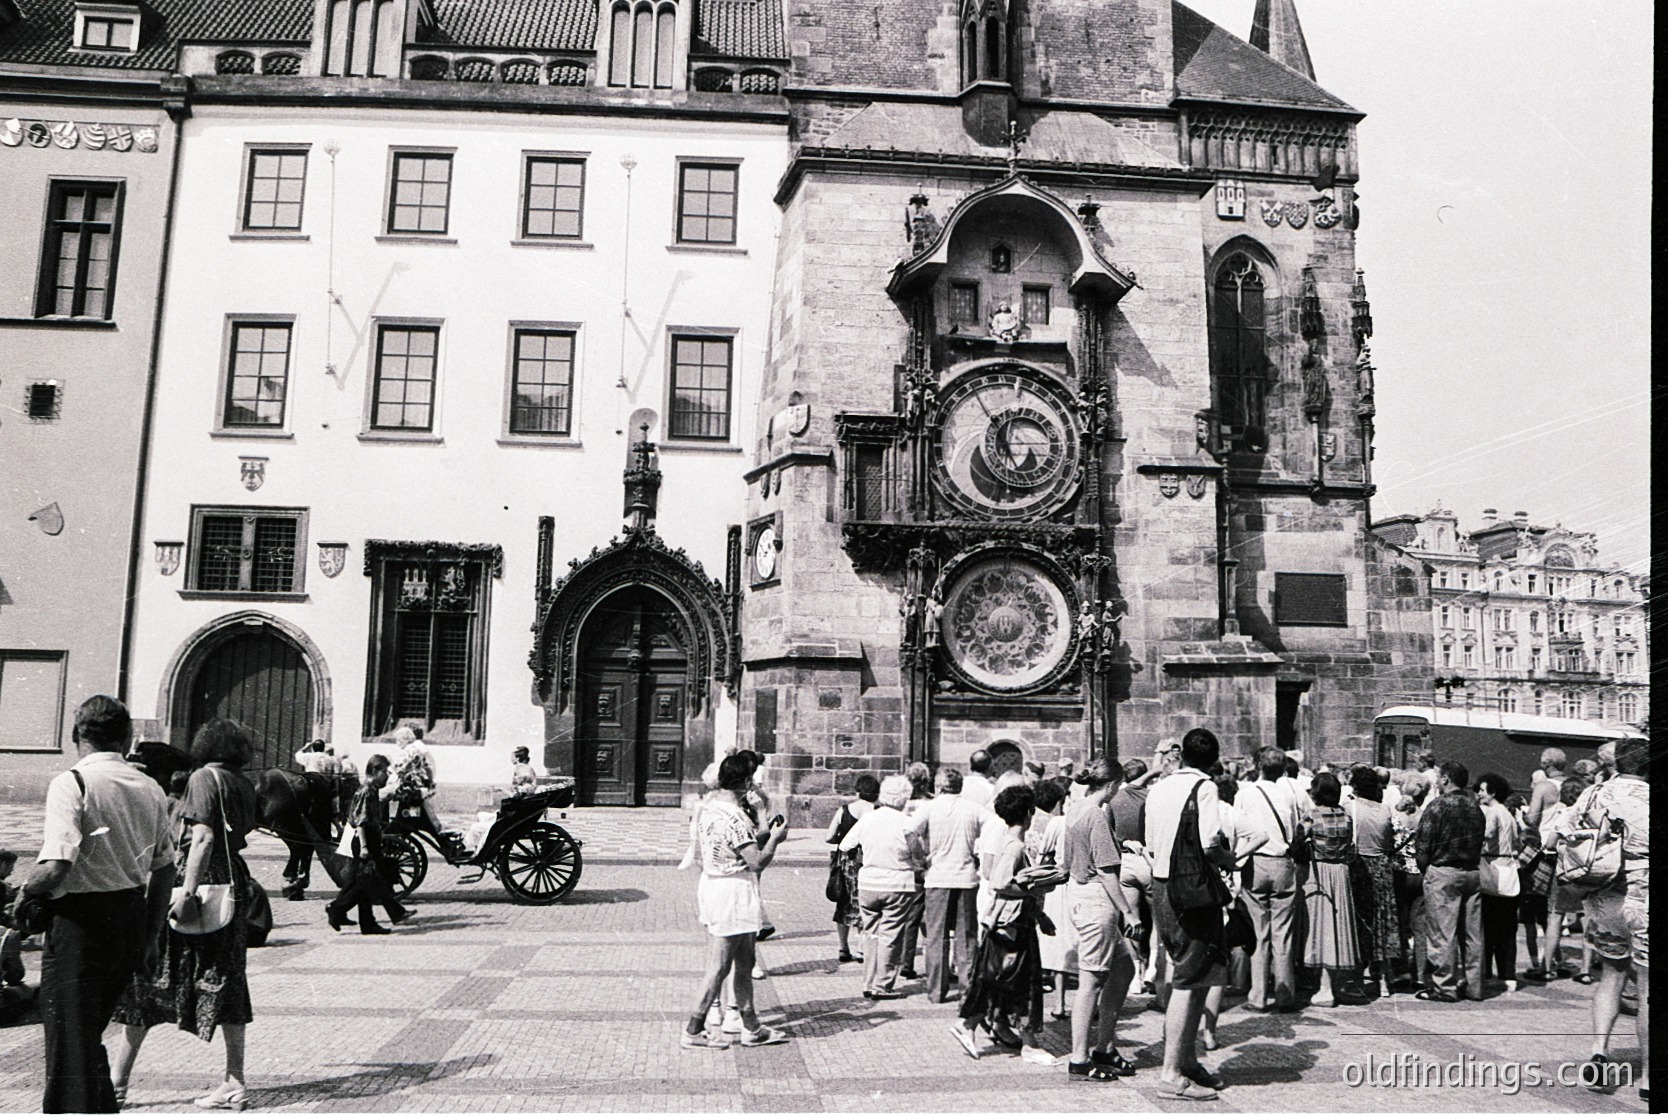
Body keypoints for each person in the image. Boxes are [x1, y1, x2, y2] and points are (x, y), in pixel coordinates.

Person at [13, 696, 175, 1114]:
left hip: (81, 928)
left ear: (76, 735)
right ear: (125, 737)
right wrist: (151, 937)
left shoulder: (73, 782)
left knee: (70, 1049)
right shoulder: (150, 787)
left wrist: (24, 892)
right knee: (85, 1042)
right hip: (128, 921)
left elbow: (55, 868)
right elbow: (165, 870)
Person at [105, 718, 259, 1112]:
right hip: (232, 883)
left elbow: (203, 837)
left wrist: (187, 892)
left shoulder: (205, 777)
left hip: (199, 882)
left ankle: (117, 1085)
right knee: (226, 977)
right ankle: (234, 1081)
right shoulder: (242, 781)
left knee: (149, 979)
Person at [1144, 728, 1234, 1101]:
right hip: (1192, 890)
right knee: (1187, 978)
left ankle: (1188, 1060)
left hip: (1163, 887)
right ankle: (1170, 1073)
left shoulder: (1160, 787)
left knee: (1194, 975)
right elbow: (1211, 840)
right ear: (1213, 760)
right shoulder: (1206, 788)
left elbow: (1151, 839)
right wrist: (1229, 859)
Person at [682, 754, 789, 1050]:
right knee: (718, 967)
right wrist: (775, 840)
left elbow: (734, 845)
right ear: (743, 782)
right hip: (732, 893)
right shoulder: (736, 818)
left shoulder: (710, 808)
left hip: (716, 885)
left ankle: (751, 1027)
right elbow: (756, 862)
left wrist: (761, 819)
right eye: (751, 778)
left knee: (745, 961)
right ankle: (692, 1030)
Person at [949, 783, 1059, 1064]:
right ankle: (1028, 1044)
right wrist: (1035, 890)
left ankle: (980, 1026)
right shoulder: (1015, 845)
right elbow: (1000, 883)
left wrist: (1039, 915)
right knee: (1021, 983)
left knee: (998, 980)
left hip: (1010, 924)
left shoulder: (1010, 843)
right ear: (1028, 813)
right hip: (1012, 927)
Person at [1570, 737, 1648, 1100]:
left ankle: (1599, 1051)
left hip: (1604, 896)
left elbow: (1566, 833)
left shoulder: (1594, 793)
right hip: (1645, 897)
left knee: (1611, 973)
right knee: (1648, 987)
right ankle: (1648, 1077)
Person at [1060, 761, 1140, 1081]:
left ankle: (1104, 1046)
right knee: (1091, 981)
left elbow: (1074, 857)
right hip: (1096, 899)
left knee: (1124, 968)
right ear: (1113, 785)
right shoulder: (1097, 814)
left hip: (1080, 893)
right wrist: (1129, 911)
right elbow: (1107, 871)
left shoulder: (1075, 808)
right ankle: (1079, 1057)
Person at [839, 775, 926, 999]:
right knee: (891, 935)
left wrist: (863, 858)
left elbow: (845, 845)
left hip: (868, 882)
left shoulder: (869, 818)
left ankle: (868, 982)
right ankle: (883, 984)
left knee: (871, 933)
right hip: (897, 883)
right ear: (904, 798)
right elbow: (918, 856)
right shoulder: (907, 823)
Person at [1415, 761, 1486, 1002]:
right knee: (1473, 933)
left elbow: (1423, 845)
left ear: (1445, 779)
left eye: (1438, 777)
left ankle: (1444, 986)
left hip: (1444, 872)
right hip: (1472, 872)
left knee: (1442, 932)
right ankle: (1474, 985)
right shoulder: (1476, 807)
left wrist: (1428, 870)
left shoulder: (1437, 806)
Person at [1237, 746, 1301, 1013]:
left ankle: (1258, 996)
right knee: (1282, 933)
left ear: (1258, 765)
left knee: (1259, 933)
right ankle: (1285, 994)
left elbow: (1237, 828)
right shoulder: (1288, 795)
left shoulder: (1246, 793)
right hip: (1282, 863)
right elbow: (1295, 830)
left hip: (1256, 861)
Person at [913, 768, 984, 1004]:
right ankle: (967, 989)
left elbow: (909, 833)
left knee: (936, 936)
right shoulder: (973, 808)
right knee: (967, 936)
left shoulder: (929, 807)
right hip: (965, 878)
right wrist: (977, 855)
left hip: (937, 877)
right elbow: (994, 827)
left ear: (939, 786)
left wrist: (920, 859)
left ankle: (936, 990)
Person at [325, 754, 411, 935]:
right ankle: (337, 909)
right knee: (366, 881)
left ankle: (368, 922)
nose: (387, 776)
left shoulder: (371, 790)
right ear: (374, 771)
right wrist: (364, 847)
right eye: (384, 772)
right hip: (364, 840)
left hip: (370, 839)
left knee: (364, 881)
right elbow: (361, 822)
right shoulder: (366, 791)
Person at [1301, 772, 1361, 1008]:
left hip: (1319, 872)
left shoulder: (1312, 816)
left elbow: (1298, 839)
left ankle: (1324, 989)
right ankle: (1334, 984)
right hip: (1341, 871)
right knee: (1338, 927)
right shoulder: (1346, 815)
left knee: (1321, 927)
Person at [1348, 768, 1399, 997]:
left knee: (1360, 922)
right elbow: (1388, 841)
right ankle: (1385, 978)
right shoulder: (1385, 810)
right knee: (1382, 923)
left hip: (1359, 867)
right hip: (1382, 867)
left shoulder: (1350, 808)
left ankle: (1358, 978)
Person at [1542, 775, 1596, 983]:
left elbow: (1549, 843)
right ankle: (1585, 970)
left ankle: (1546, 967)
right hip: (1589, 873)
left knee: (1555, 917)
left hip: (1565, 872)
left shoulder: (1565, 815)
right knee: (1587, 920)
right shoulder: (1591, 816)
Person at [1474, 773, 1522, 993]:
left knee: (1488, 926)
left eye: (1482, 790)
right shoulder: (1509, 814)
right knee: (1507, 929)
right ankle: (1508, 973)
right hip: (1510, 871)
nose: (1479, 794)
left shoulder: (1492, 812)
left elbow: (1488, 834)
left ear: (1492, 792)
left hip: (1493, 870)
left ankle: (1486, 972)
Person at [826, 774, 878, 964]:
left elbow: (829, 836)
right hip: (868, 862)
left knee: (843, 903)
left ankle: (843, 947)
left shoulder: (845, 810)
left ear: (858, 791)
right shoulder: (877, 810)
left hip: (846, 863)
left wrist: (841, 837)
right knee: (866, 905)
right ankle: (862, 949)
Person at [1390, 773, 1431, 990]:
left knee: (1398, 923)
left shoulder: (1396, 816)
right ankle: (1421, 974)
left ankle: (1400, 970)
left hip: (1399, 872)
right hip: (1421, 873)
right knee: (1420, 926)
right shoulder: (1426, 816)